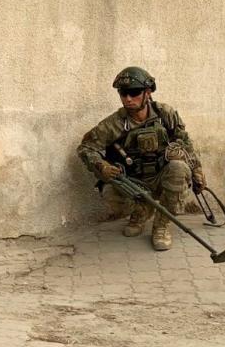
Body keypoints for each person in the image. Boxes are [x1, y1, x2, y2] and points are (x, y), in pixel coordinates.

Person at [77, 67, 204, 252]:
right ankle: (141, 212)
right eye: (123, 93)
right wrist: (101, 165)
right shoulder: (114, 124)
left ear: (148, 93)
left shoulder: (165, 114)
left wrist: (197, 170)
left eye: (134, 92)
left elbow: (185, 142)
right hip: (134, 181)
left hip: (162, 176)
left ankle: (162, 225)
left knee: (179, 168)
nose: (128, 98)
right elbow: (86, 148)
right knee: (110, 191)